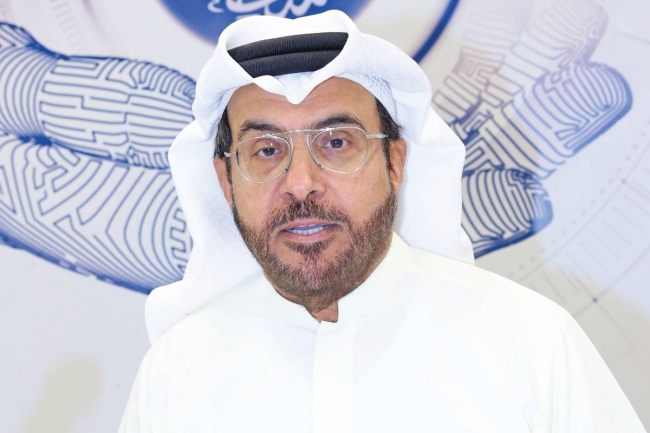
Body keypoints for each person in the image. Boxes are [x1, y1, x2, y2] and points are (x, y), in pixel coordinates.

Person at [119, 10, 645, 432]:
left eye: (336, 142)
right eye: (266, 150)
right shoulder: (176, 375)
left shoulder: (529, 344)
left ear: (395, 161)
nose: (300, 182)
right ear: (225, 179)